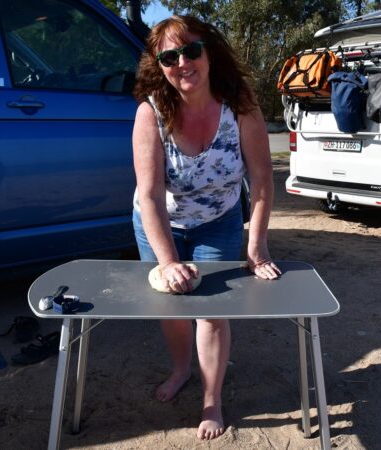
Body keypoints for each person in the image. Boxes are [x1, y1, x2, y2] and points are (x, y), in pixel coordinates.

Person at [131, 15, 281, 440]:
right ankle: (181, 370)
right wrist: (167, 263)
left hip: (218, 221)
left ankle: (211, 399)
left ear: (209, 52)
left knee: (213, 312)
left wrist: (257, 248)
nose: (183, 62)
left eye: (192, 50)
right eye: (169, 56)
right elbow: (149, 196)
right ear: (159, 65)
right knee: (173, 306)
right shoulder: (151, 113)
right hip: (159, 223)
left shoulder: (240, 105)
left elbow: (263, 181)